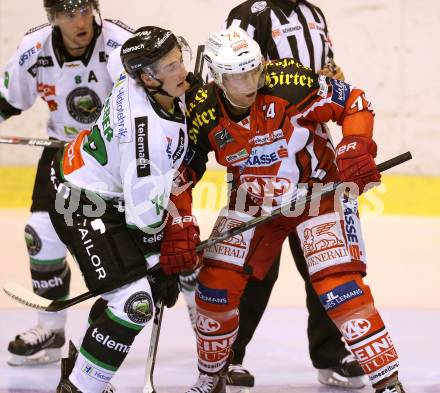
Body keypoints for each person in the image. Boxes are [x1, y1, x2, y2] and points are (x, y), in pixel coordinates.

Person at [182, 27, 405, 393]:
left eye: (254, 70)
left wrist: (356, 146)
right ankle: (212, 375)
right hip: (253, 201)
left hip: (318, 193)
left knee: (340, 288)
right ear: (217, 78)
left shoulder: (290, 81)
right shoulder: (202, 110)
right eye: (238, 76)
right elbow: (184, 169)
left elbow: (355, 102)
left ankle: (388, 382)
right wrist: (180, 222)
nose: (250, 82)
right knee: (213, 287)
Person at [48, 26, 201, 392]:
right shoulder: (145, 140)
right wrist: (163, 261)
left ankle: (80, 367)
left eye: (180, 60)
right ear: (148, 78)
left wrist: (158, 261)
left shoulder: (141, 78)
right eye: (171, 67)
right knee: (135, 301)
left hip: (103, 187)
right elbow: (145, 220)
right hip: (82, 201)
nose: (183, 73)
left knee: (136, 284)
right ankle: (81, 387)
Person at [222, 0, 363, 388]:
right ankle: (226, 356)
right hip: (263, 159)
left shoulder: (314, 14)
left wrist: (330, 81)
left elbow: (332, 75)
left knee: (326, 261)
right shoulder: (249, 15)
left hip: (316, 160)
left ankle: (331, 356)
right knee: (252, 268)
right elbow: (232, 82)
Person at [0, 0, 134, 366]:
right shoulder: (34, 49)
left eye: (84, 10)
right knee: (40, 234)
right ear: (53, 19)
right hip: (62, 150)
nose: (80, 21)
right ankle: (52, 330)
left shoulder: (120, 43)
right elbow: (8, 101)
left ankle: (204, 331)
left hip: (115, 155)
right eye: (68, 14)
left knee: (155, 246)